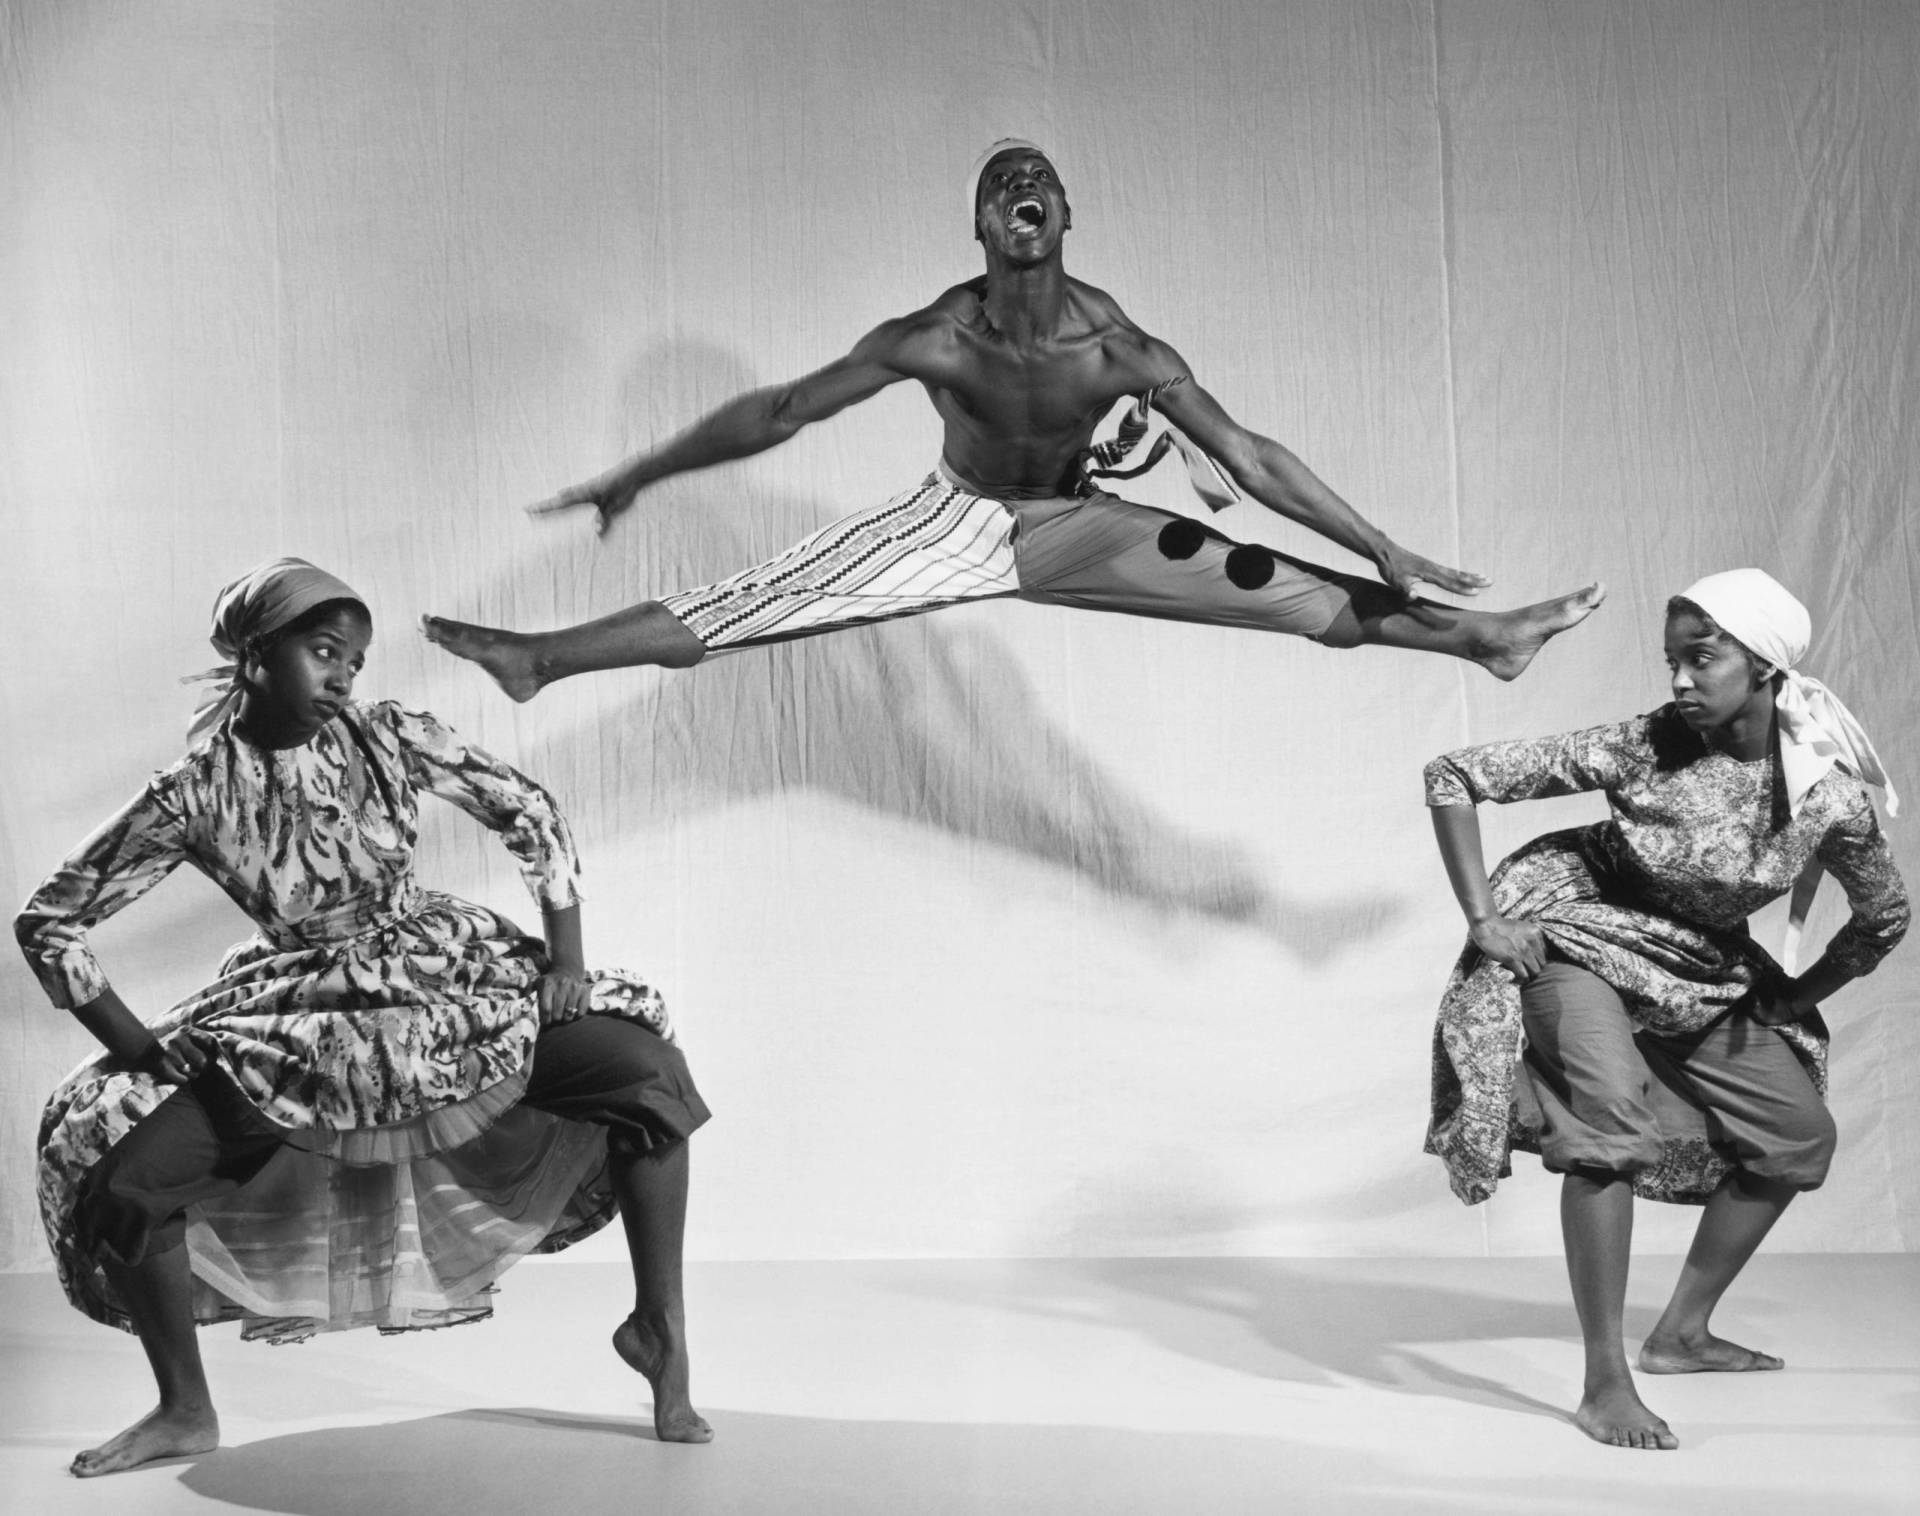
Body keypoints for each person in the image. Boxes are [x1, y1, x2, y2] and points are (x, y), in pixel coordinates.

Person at [421, 139, 1604, 698]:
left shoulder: (1117, 347)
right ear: (981, 228)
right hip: (957, 523)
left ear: (1065, 210)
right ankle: (543, 659)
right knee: (754, 602)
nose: (1015, 190)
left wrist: (1382, 546)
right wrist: (644, 469)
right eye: (995, 186)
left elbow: (1249, 457)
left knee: (1288, 591)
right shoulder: (942, 337)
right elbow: (783, 411)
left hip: (1077, 523)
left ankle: (1483, 640)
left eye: (1031, 179)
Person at [18, 558, 714, 1478]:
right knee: (125, 1174)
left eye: (355, 657)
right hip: (304, 1024)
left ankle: (658, 1330)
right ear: (256, 655)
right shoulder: (193, 793)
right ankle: (184, 1408)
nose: (345, 674)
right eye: (322, 651)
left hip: (441, 981)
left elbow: (529, 810)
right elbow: (48, 920)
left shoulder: (387, 736)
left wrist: (569, 965)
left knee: (647, 1076)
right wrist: (138, 1046)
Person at [1421, 568, 1907, 1450]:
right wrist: (1486, 920)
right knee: (1610, 1121)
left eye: (1701, 658)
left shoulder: (1827, 797)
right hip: (1576, 930)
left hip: (1692, 964)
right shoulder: (1647, 743)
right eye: (1671, 660)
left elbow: (1884, 917)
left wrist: (1797, 994)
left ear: (1763, 666)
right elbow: (1454, 771)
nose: (1679, 680)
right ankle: (1603, 1382)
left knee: (1799, 1138)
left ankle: (1680, 1334)